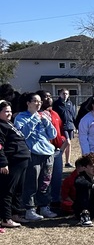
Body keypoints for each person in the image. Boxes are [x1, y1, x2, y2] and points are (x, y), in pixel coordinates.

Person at [14, 92, 57, 221]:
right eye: (35, 101)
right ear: (28, 103)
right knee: (31, 182)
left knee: (46, 182)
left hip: (48, 152)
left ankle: (44, 206)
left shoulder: (43, 115)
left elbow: (52, 135)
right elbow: (22, 135)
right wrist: (34, 119)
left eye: (40, 101)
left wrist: (47, 122)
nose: (39, 104)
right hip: (33, 153)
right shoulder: (21, 117)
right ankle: (30, 209)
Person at [0, 99, 30, 228]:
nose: (9, 114)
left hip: (22, 159)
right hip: (12, 161)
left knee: (19, 189)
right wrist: (3, 163)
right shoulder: (0, 125)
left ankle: (15, 213)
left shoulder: (9, 123)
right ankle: (6, 218)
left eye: (10, 111)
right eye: (6, 111)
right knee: (8, 189)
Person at [38, 90, 69, 212]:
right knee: (45, 179)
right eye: (45, 97)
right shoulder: (38, 115)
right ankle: (42, 203)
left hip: (57, 151)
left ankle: (55, 201)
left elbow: (60, 130)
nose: (48, 99)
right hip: (44, 152)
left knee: (57, 178)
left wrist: (62, 141)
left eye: (49, 96)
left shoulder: (55, 114)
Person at [53, 88, 77, 166]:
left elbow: (73, 115)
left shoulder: (70, 103)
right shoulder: (56, 104)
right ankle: (57, 158)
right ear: (60, 94)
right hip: (61, 126)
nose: (65, 95)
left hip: (70, 125)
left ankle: (67, 162)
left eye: (66, 93)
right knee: (67, 142)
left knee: (69, 144)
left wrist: (75, 126)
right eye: (63, 93)